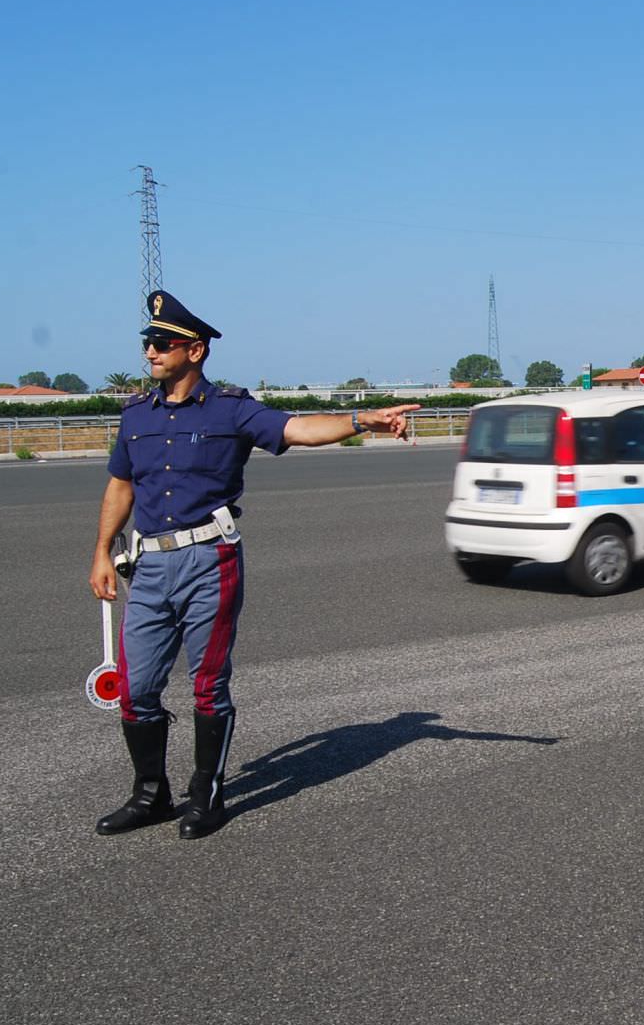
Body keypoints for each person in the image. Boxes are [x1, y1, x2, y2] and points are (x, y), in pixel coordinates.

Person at [89, 289, 418, 839]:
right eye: (147, 342)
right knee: (135, 687)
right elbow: (120, 485)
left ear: (194, 352)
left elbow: (298, 430)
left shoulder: (232, 409)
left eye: (162, 342)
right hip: (147, 567)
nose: (150, 351)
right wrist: (101, 550)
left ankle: (208, 794)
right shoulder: (135, 417)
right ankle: (151, 794)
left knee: (207, 686)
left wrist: (362, 420)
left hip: (208, 561)